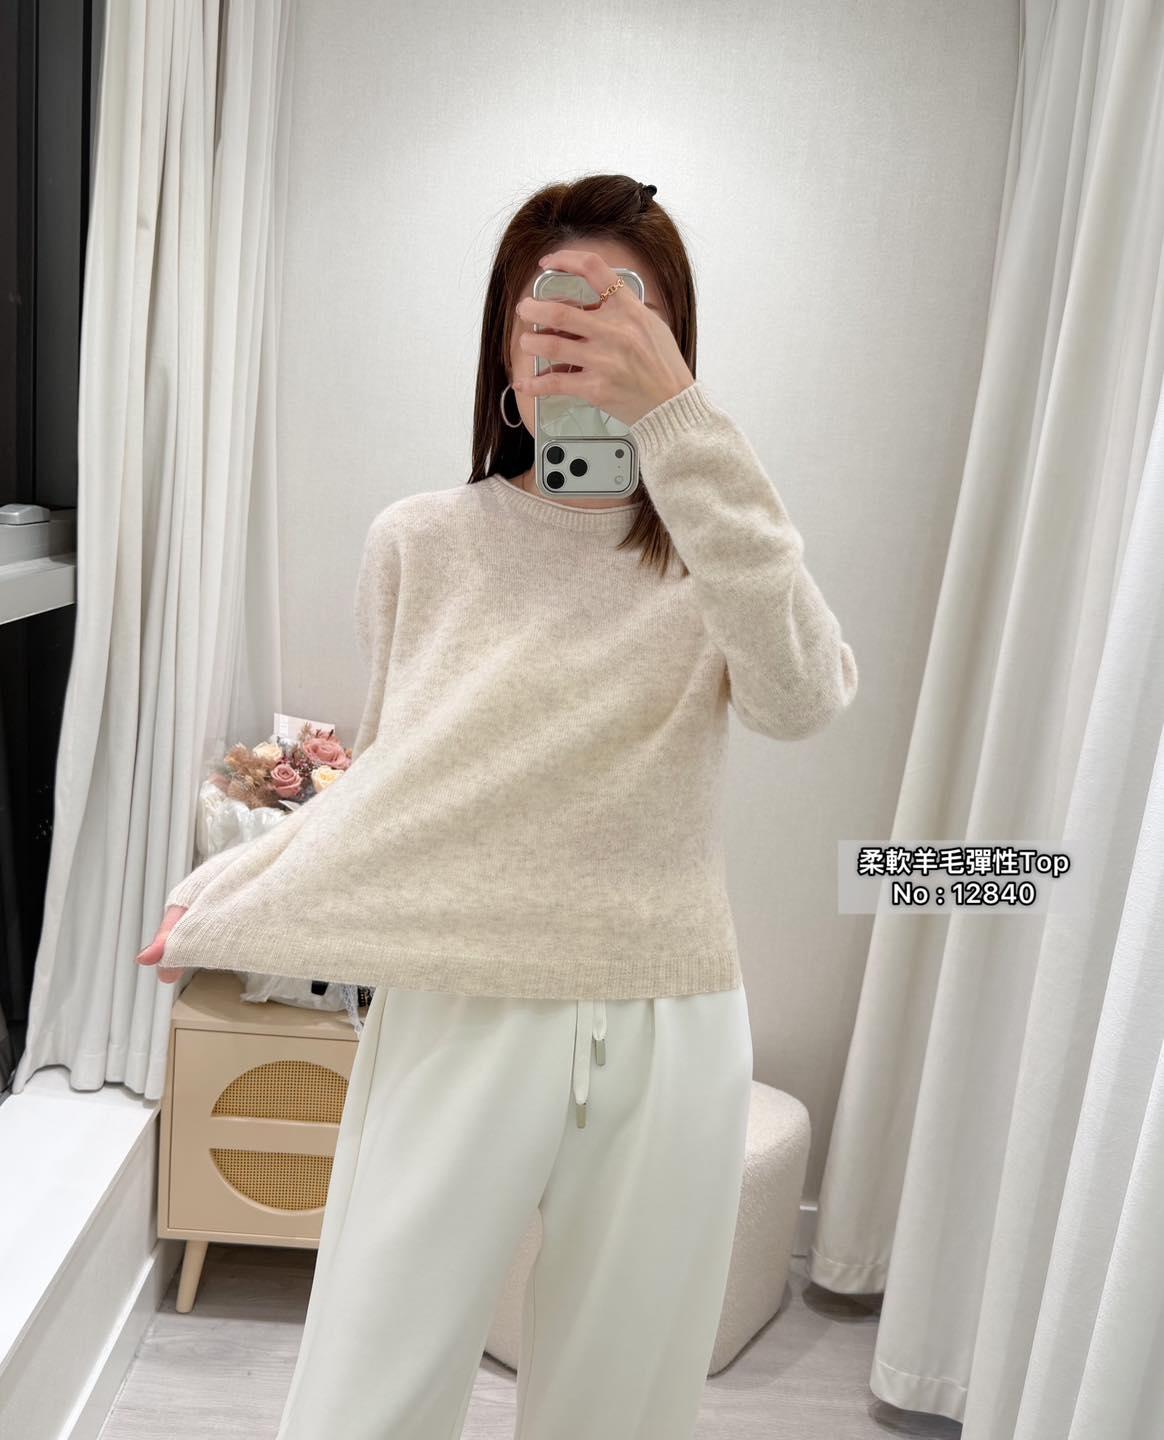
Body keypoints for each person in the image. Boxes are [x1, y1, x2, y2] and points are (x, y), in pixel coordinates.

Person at [137, 173, 858, 1440]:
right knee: (370, 1383)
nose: (586, 335)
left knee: (624, 1401)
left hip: (669, 1008)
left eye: (626, 309)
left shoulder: (723, 542)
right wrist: (239, 886)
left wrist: (685, 432)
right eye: (554, 311)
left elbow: (802, 699)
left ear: (674, 341)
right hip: (458, 995)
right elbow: (403, 786)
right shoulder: (421, 540)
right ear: (506, 345)